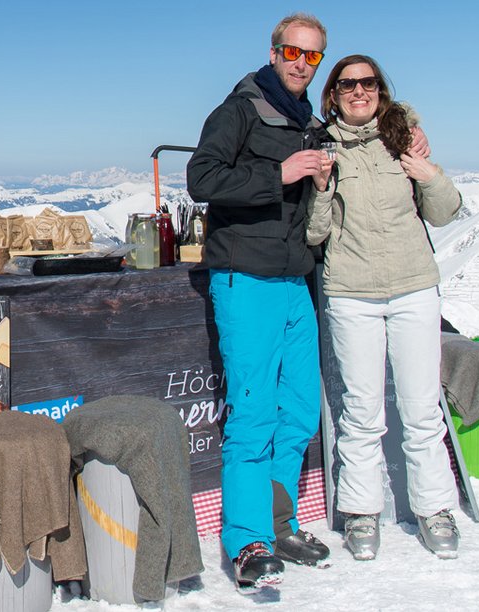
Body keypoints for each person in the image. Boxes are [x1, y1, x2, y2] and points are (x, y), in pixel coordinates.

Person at [186, 12, 333, 591]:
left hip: (295, 281)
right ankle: (246, 541)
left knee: (297, 410)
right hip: (245, 278)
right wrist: (281, 173)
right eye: (292, 52)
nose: (301, 63)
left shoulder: (309, 121)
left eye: (312, 56)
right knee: (252, 415)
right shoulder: (240, 108)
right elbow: (201, 179)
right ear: (274, 52)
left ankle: (280, 522)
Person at [307, 55, 464, 561]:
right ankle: (360, 511)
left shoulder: (404, 137)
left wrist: (428, 172)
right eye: (348, 84)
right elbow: (315, 233)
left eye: (368, 83)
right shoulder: (321, 146)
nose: (359, 91)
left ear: (380, 90)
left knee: (421, 408)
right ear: (333, 94)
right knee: (361, 411)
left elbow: (443, 213)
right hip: (352, 292)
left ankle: (434, 508)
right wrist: (321, 188)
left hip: (414, 286)